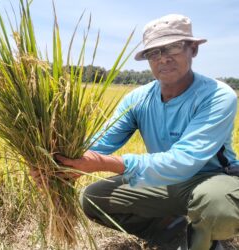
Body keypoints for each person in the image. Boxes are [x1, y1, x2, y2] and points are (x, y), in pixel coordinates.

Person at [31, 14, 239, 250]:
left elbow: (184, 161)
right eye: (154, 52)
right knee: (93, 198)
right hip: (164, 181)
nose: (163, 58)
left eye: (173, 47)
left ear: (193, 49)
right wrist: (58, 161)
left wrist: (105, 163)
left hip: (212, 178)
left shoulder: (217, 95)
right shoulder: (138, 99)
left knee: (216, 207)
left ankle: (207, 243)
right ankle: (175, 235)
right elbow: (101, 142)